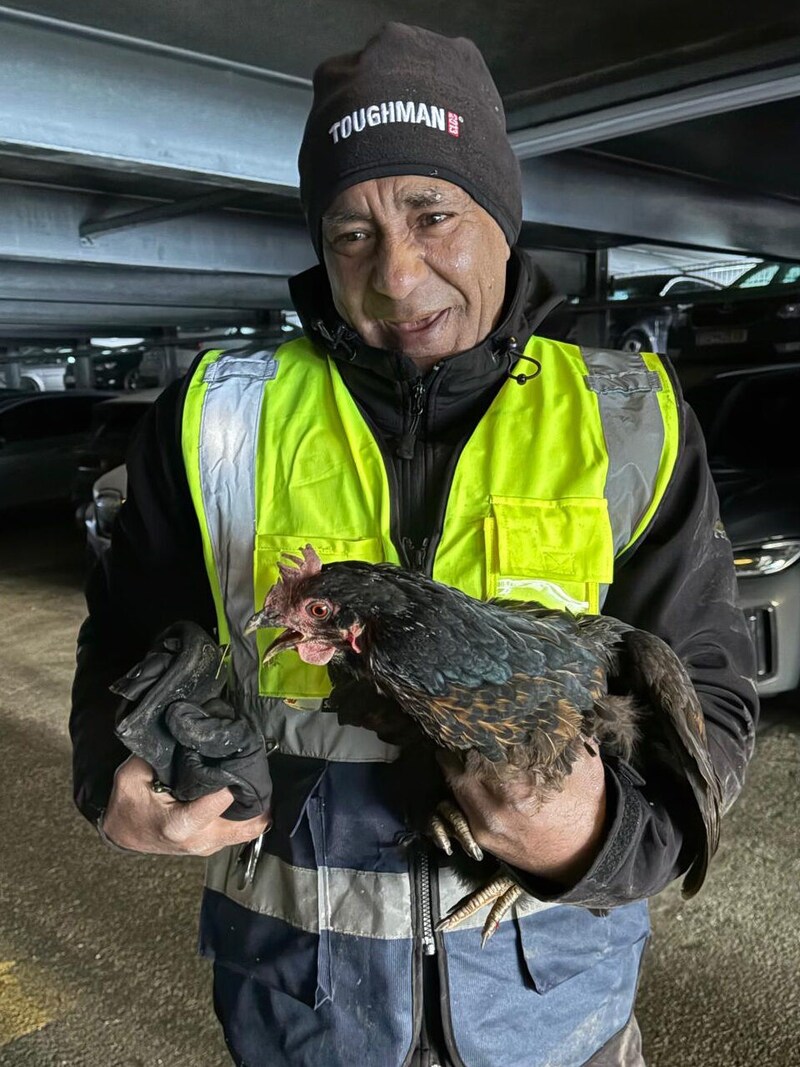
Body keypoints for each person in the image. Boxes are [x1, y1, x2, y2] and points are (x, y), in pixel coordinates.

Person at [70, 22, 758, 1067]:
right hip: (306, 1016)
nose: (395, 275)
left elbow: (702, 695)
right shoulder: (215, 417)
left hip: (553, 1016)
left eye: (431, 213)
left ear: (498, 214)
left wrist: (595, 837)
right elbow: (121, 649)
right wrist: (112, 782)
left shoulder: (630, 417)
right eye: (349, 232)